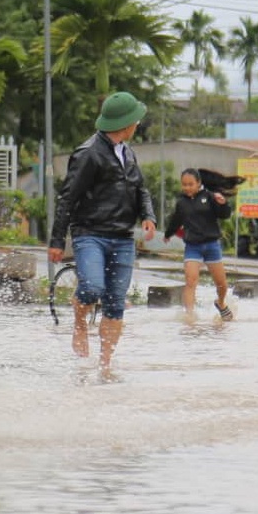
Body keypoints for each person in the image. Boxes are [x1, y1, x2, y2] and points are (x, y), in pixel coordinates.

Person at [48, 91, 157, 374]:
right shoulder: (88, 154)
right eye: (137, 121)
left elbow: (141, 189)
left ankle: (105, 366)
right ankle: (80, 320)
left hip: (122, 237)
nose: (138, 125)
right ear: (126, 123)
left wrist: (148, 216)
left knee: (115, 303)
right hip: (90, 234)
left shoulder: (128, 152)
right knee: (93, 287)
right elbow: (67, 198)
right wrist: (57, 240)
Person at [163, 168, 234, 320]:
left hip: (211, 246)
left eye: (190, 184)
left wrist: (223, 204)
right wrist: (168, 234)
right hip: (192, 247)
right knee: (190, 280)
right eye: (184, 184)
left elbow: (224, 215)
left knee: (222, 284)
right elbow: (176, 220)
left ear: (199, 183)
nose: (187, 188)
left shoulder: (209, 197)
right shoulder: (181, 202)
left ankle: (221, 303)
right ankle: (189, 316)